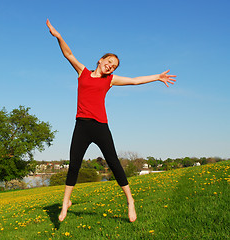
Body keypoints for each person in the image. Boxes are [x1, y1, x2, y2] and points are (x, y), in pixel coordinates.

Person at [46, 19, 176, 223]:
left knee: (114, 163)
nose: (110, 67)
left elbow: (134, 81)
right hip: (81, 125)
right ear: (100, 60)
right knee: (74, 165)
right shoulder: (83, 72)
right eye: (109, 62)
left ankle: (130, 201)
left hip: (100, 126)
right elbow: (68, 54)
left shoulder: (110, 80)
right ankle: (65, 203)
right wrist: (59, 37)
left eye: (113, 66)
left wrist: (157, 77)